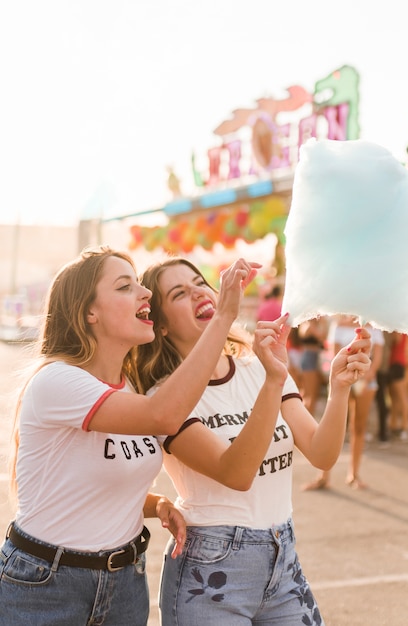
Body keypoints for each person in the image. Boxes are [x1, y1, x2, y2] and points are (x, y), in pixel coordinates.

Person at [0, 245, 260, 626]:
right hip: (45, 585)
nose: (146, 294)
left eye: (140, 283)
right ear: (89, 313)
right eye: (125, 286)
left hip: (124, 583)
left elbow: (91, 480)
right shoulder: (57, 380)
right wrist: (223, 316)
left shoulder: (128, 391)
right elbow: (165, 415)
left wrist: (155, 505)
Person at [137, 257, 371, 626]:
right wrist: (272, 381)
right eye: (179, 293)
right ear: (161, 326)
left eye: (200, 282)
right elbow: (237, 472)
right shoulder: (164, 397)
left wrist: (338, 388)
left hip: (283, 558)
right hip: (209, 570)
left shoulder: (255, 364)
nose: (198, 291)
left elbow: (322, 454)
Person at [303, 315, 383, 491]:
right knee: (334, 425)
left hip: (367, 380)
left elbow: (378, 356)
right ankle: (324, 475)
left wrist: (368, 374)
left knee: (359, 426)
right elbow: (334, 355)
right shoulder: (338, 326)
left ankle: (353, 474)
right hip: (343, 379)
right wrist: (346, 379)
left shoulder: (375, 326)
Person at [298, 316, 329, 415]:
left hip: (318, 358)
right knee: (309, 394)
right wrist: (321, 323)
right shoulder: (306, 324)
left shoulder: (318, 324)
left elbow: (325, 339)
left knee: (314, 394)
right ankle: (305, 418)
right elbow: (321, 336)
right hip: (309, 358)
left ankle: (309, 416)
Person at [387, 332, 408, 441]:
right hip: (393, 363)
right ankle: (393, 426)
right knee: (394, 398)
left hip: (398, 364)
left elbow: (397, 341)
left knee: (402, 398)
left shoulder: (401, 330)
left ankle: (405, 428)